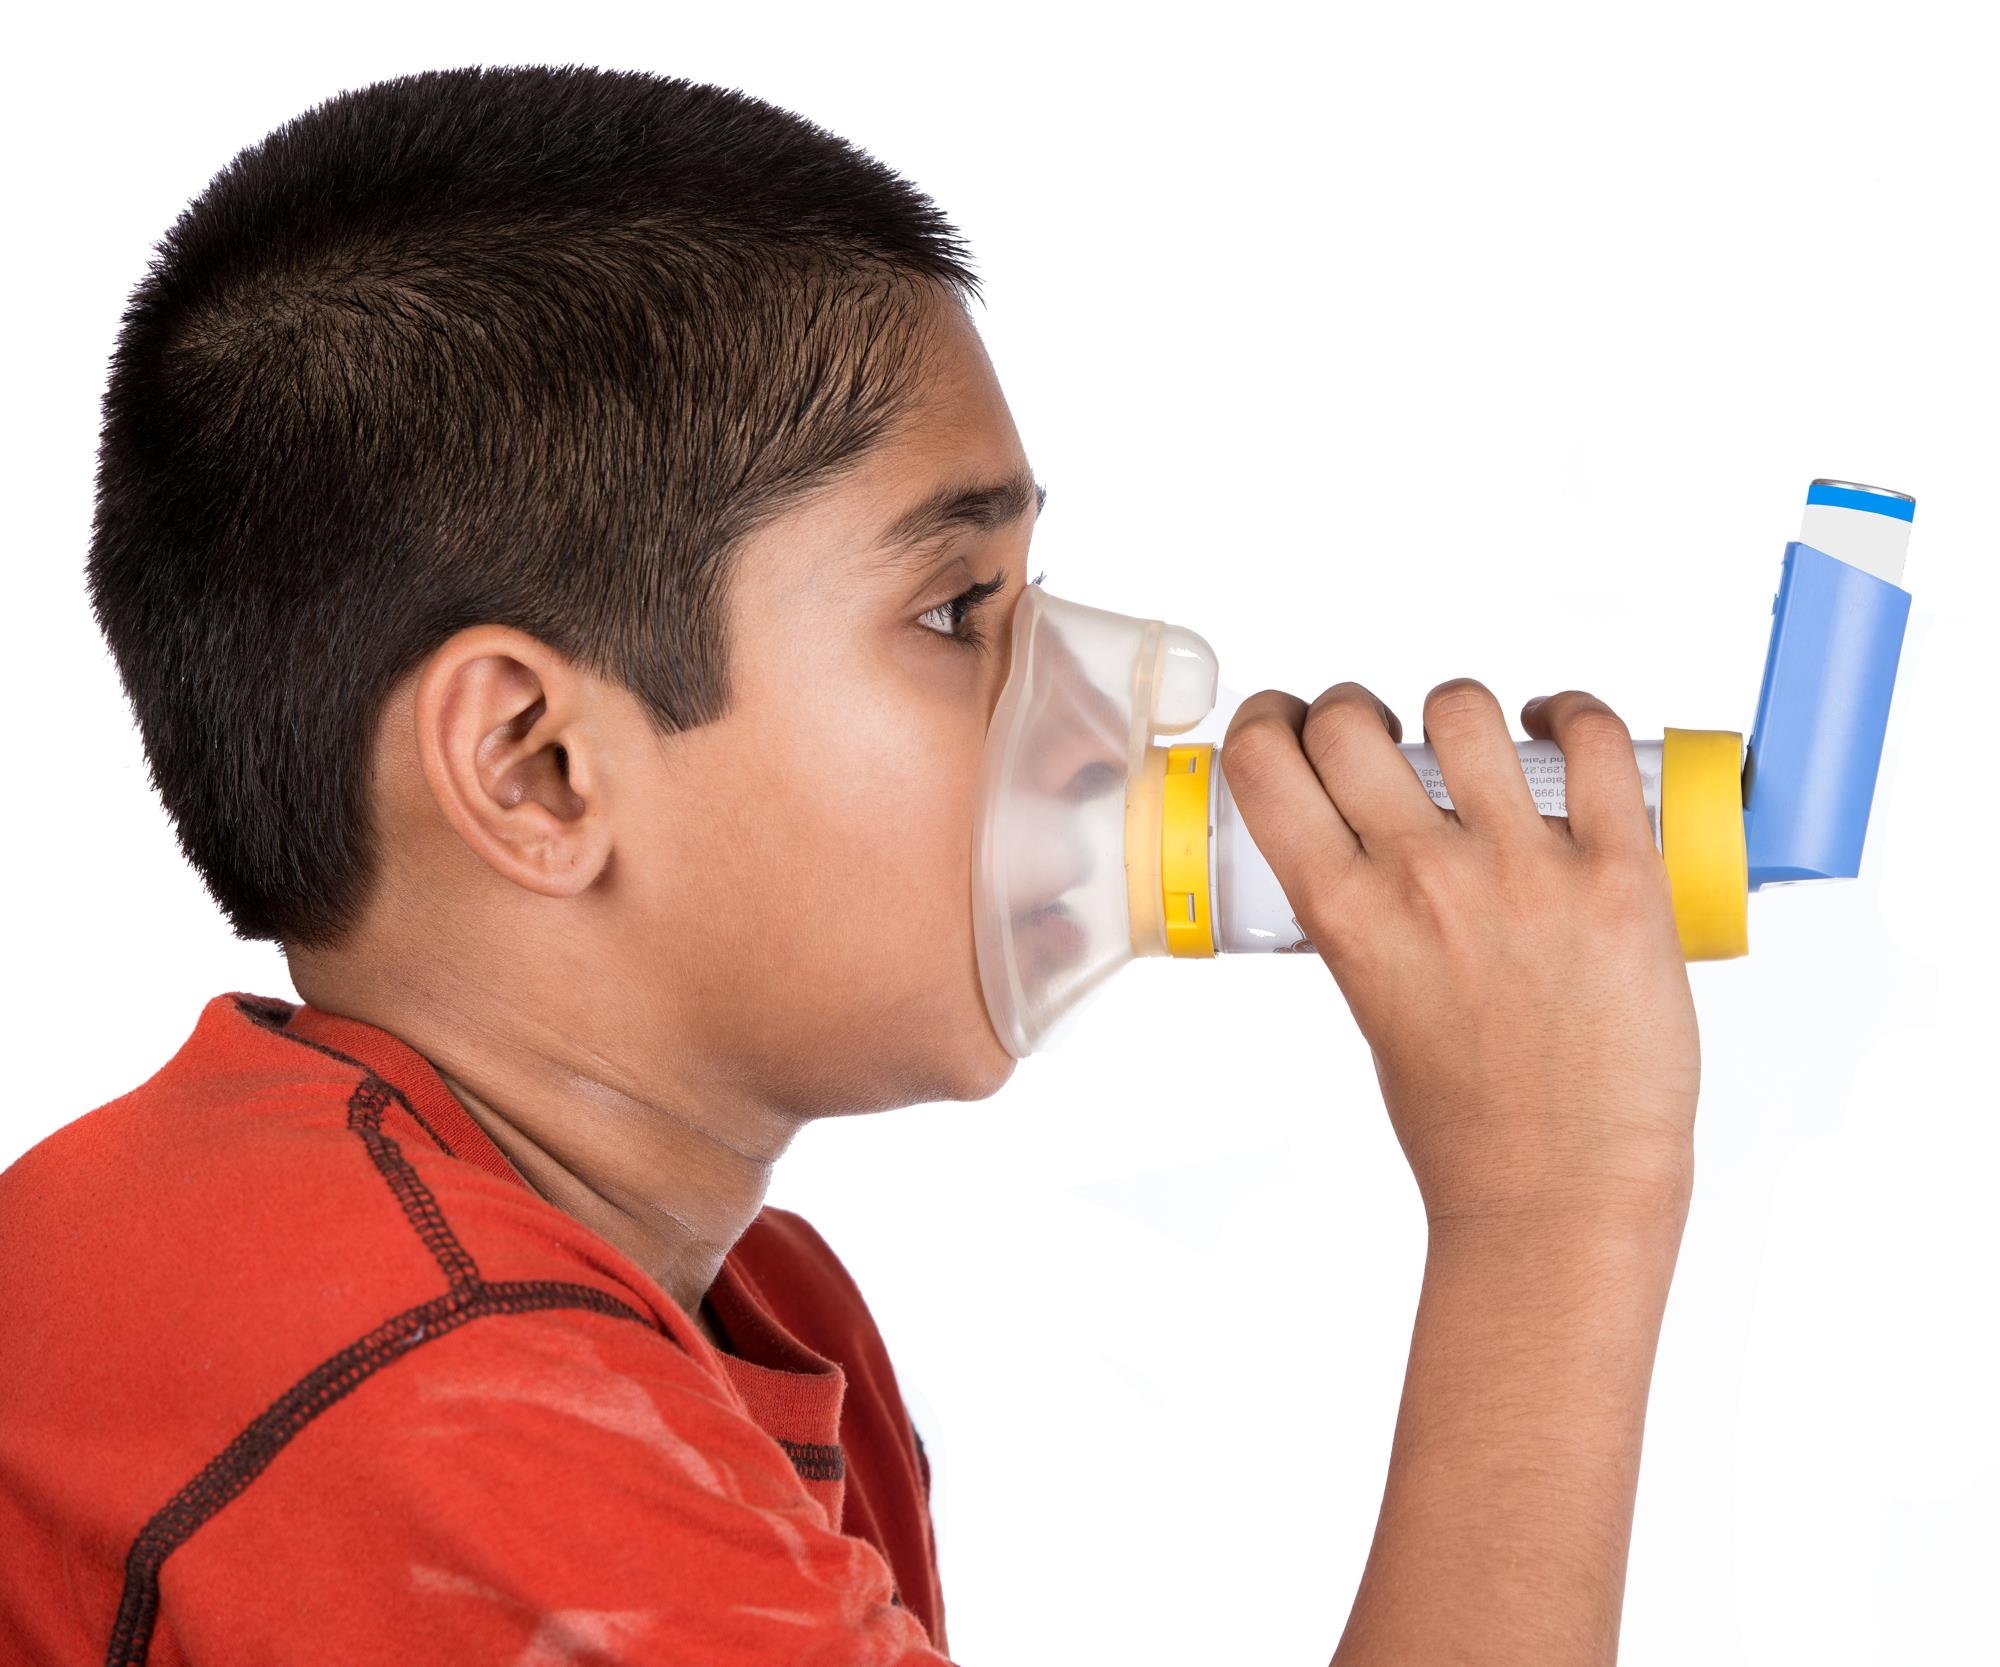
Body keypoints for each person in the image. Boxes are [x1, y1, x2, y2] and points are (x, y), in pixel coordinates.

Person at [0, 64, 1698, 1665]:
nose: (1101, 716)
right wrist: (1553, 1212)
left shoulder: (743, 1316)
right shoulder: (424, 1390)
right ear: (537, 766)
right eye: (960, 613)